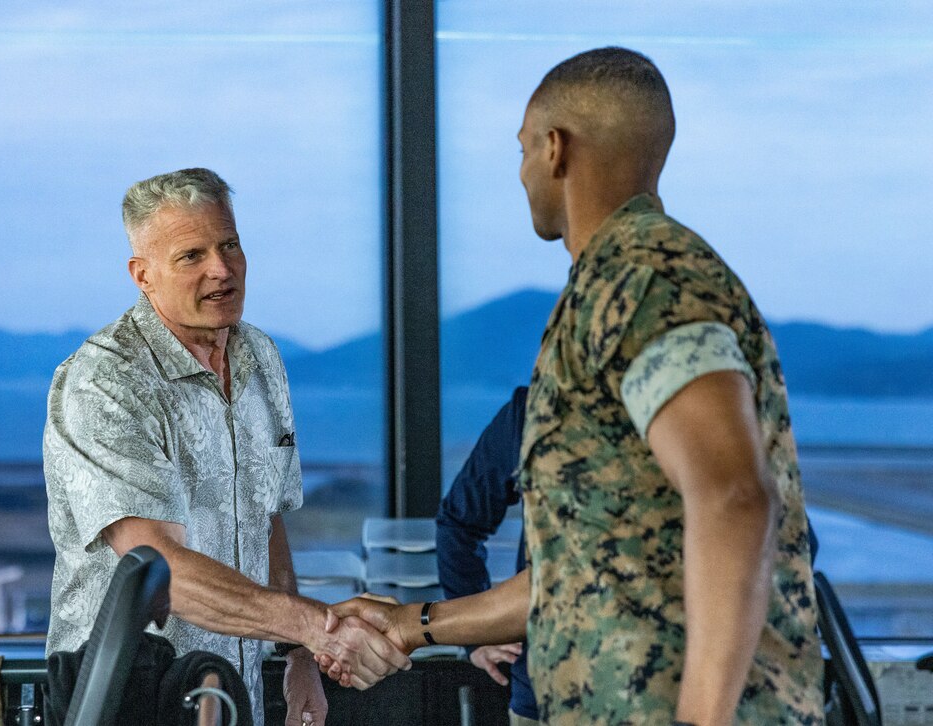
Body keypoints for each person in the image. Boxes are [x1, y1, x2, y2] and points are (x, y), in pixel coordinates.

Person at [322, 48, 823, 725]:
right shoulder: (605, 285)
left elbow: (734, 495)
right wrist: (413, 623)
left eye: (523, 149)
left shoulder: (643, 276)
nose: (523, 170)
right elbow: (583, 570)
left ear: (554, 149)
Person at [44, 167, 410, 726]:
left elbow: (267, 521)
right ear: (142, 275)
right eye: (191, 256)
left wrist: (299, 658)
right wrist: (319, 628)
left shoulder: (260, 357)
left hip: (232, 688)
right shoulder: (104, 380)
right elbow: (157, 567)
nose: (222, 269)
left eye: (230, 245)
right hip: (122, 691)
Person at [435, 386, 538, 725]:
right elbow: (459, 523)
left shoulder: (684, 405)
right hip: (544, 691)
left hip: (668, 685)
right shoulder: (531, 409)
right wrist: (477, 635)